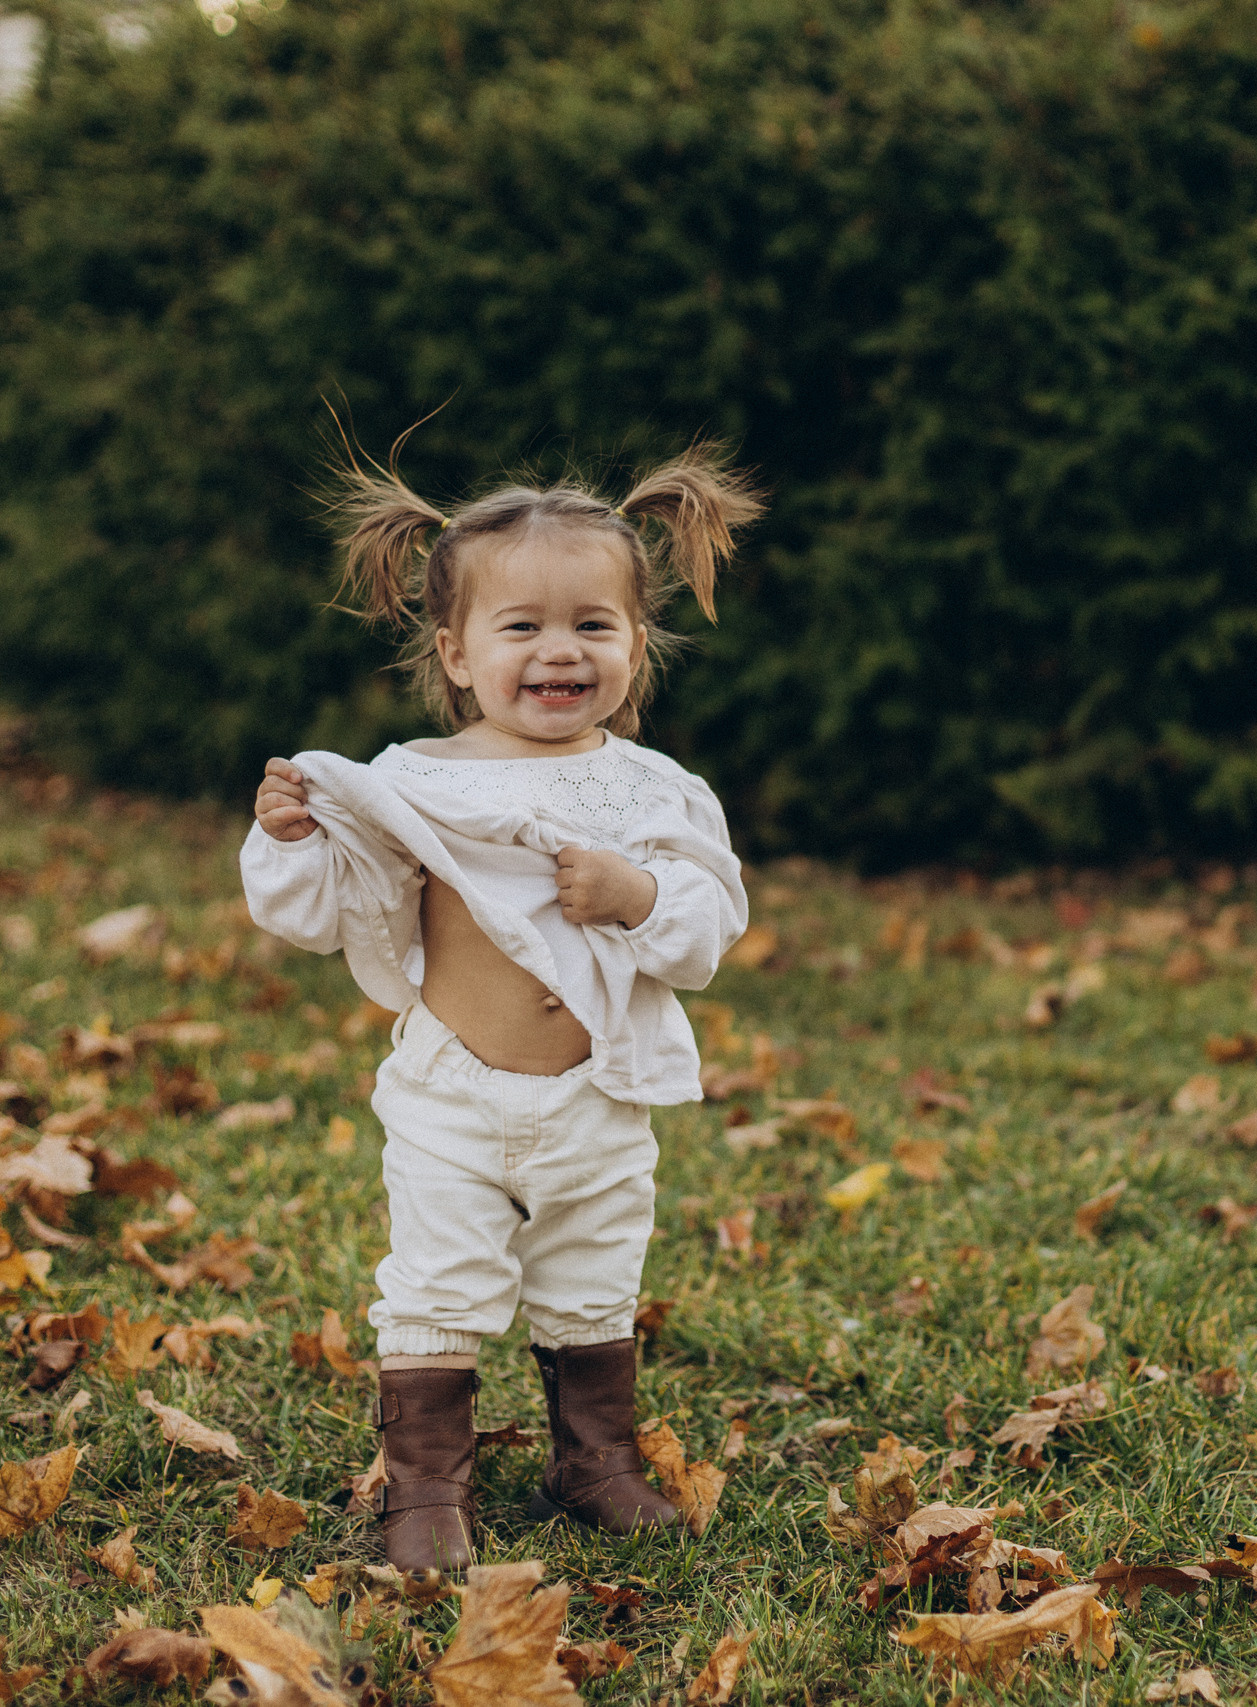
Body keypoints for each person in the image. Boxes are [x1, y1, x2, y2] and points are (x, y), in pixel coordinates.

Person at [241, 444, 761, 1572]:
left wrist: (637, 896)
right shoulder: (407, 780)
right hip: (452, 1092)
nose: (558, 650)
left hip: (598, 1093)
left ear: (636, 644)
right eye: (520, 627)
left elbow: (711, 922)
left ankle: (596, 1463)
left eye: (593, 625)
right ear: (457, 655)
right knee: (436, 1278)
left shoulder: (654, 789)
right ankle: (426, 1490)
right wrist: (286, 838)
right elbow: (315, 911)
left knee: (593, 1270)